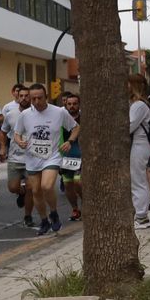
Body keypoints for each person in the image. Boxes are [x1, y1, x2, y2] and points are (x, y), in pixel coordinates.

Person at [9, 82, 77, 236]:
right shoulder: (25, 115)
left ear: (46, 97)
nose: (36, 102)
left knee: (47, 186)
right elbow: (17, 133)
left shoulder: (59, 112)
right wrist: (19, 141)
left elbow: (76, 127)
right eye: (33, 99)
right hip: (32, 157)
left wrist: (69, 141)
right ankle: (44, 220)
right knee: (36, 191)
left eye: (40, 98)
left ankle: (53, 213)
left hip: (51, 156)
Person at [1, 84, 35, 228]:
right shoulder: (11, 114)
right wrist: (2, 147)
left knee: (30, 188)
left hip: (32, 158)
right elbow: (2, 132)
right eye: (21, 96)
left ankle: (28, 216)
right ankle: (20, 193)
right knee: (12, 187)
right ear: (17, 96)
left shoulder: (37, 113)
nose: (23, 98)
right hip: (14, 157)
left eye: (26, 96)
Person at [129, 75, 150, 229]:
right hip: (140, 144)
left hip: (139, 143)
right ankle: (140, 214)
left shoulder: (139, 105)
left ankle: (141, 216)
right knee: (138, 180)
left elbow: (129, 126)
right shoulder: (140, 104)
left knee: (138, 181)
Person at [59, 92, 83, 221]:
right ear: (65, 105)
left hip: (82, 156)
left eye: (74, 104)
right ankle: (75, 209)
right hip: (66, 157)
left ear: (79, 105)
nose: (72, 106)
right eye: (69, 104)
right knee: (68, 184)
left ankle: (87, 203)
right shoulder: (61, 120)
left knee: (78, 182)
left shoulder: (84, 119)